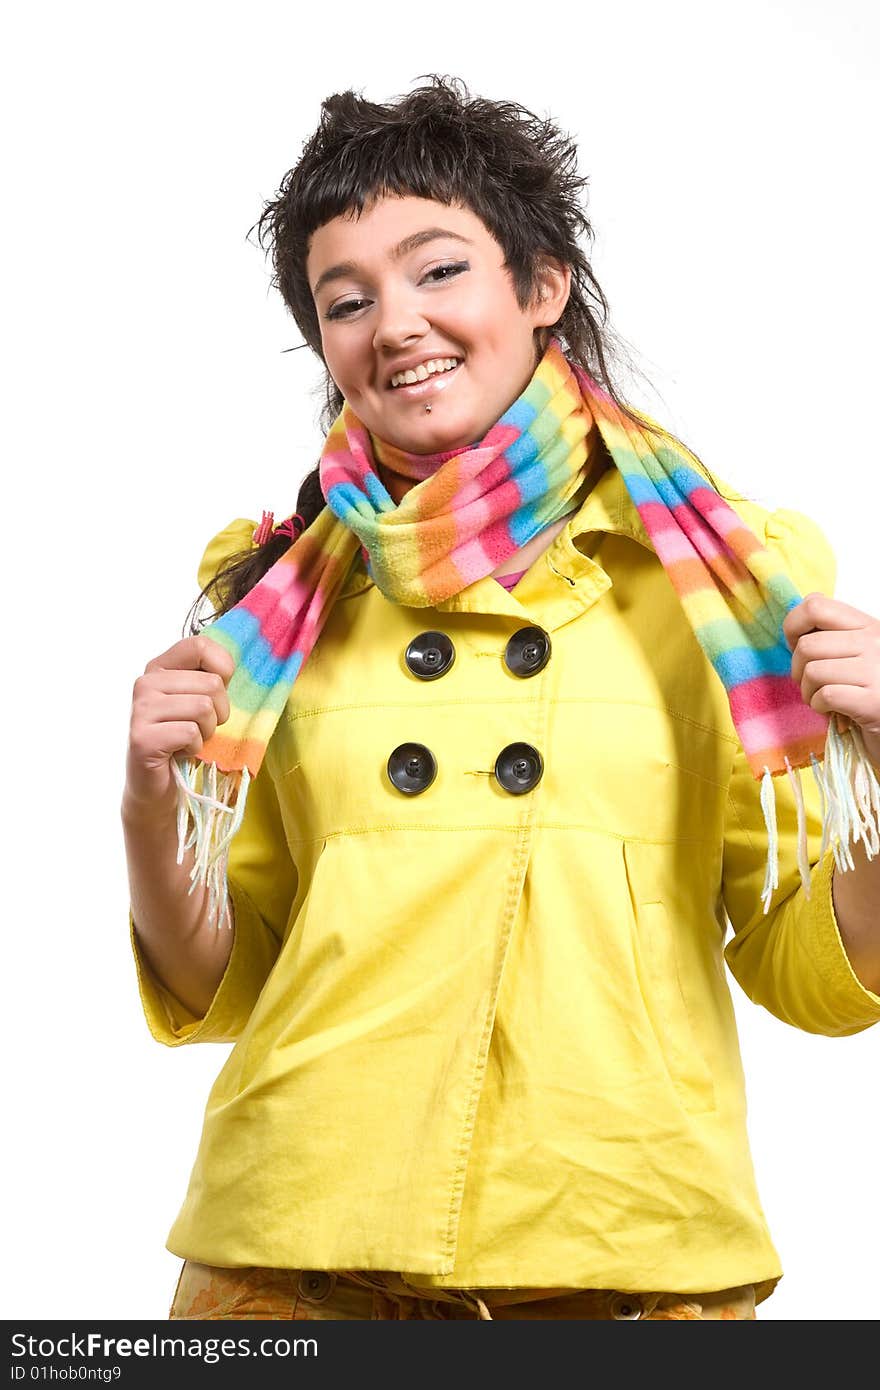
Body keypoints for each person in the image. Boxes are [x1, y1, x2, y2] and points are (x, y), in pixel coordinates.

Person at [122, 76, 880, 1323]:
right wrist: (149, 811)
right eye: (346, 300)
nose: (395, 324)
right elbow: (235, 976)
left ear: (540, 287)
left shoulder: (719, 583)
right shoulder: (271, 601)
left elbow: (812, 972)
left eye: (437, 270)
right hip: (291, 1256)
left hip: (626, 1248)